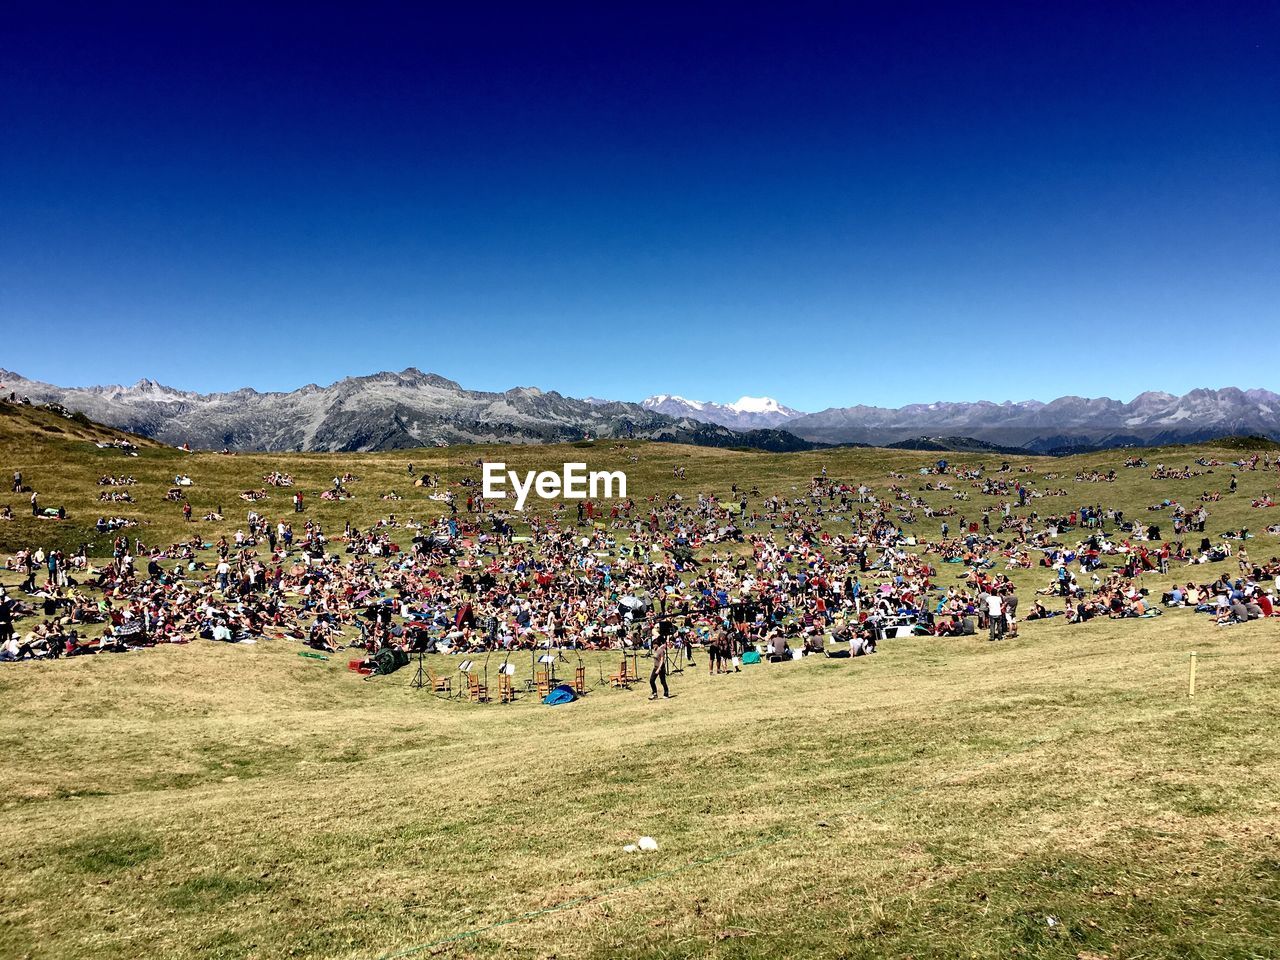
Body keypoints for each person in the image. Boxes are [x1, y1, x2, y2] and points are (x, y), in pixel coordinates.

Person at [648, 630, 670, 700]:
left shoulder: (661, 650)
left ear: (657, 644)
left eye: (654, 644)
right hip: (655, 667)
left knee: (662, 681)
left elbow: (662, 660)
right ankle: (654, 693)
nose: (653, 646)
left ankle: (666, 693)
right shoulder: (654, 650)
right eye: (653, 644)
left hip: (660, 668)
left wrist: (659, 669)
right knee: (651, 680)